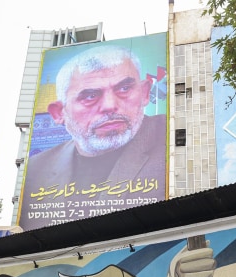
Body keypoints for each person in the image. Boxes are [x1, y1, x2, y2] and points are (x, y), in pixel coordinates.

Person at [23, 45, 166, 202]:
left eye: (124, 89)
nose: (110, 106)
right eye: (90, 96)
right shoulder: (35, 170)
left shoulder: (171, 138)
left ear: (144, 93)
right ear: (59, 113)